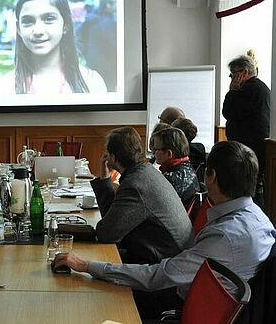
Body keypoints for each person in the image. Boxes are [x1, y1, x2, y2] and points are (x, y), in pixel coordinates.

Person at [54, 141, 276, 319]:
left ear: (212, 176)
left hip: (175, 302)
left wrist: (86, 265)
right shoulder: (261, 220)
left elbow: (157, 277)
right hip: (197, 299)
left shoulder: (226, 235)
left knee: (94, 299)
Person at [90, 126, 192, 265]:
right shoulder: (145, 172)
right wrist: (105, 176)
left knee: (90, 260)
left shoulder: (135, 185)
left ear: (112, 157)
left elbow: (107, 234)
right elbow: (111, 222)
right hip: (167, 255)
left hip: (161, 266)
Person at [0, 0, 107, 95]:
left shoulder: (92, 83)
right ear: (18, 29)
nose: (38, 31)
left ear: (66, 25)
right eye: (28, 21)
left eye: (49, 18)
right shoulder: (4, 88)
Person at [222, 54, 270, 209]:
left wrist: (231, 91)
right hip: (256, 148)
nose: (231, 78)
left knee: (248, 189)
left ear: (244, 73)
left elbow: (228, 111)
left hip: (249, 149)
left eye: (233, 74)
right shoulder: (261, 87)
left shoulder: (248, 90)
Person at [149, 127, 200, 208]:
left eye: (156, 149)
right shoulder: (189, 169)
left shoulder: (169, 180)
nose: (153, 152)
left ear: (169, 154)